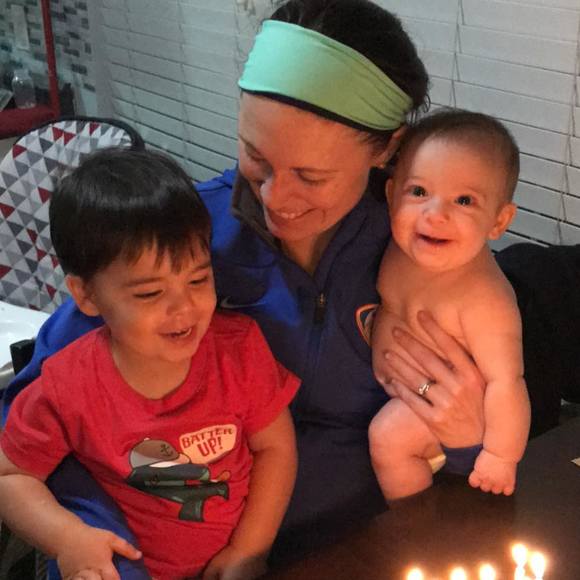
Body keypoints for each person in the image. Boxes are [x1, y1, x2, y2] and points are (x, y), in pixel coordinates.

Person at [2, 0, 492, 575]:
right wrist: (97, 538)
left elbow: (480, 446)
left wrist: (467, 439)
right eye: (256, 158)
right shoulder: (179, 244)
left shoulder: (427, 254)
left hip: (359, 551)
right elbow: (48, 411)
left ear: (386, 149)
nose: (274, 199)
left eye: (311, 176)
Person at [0, 149, 299, 579]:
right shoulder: (68, 384)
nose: (184, 308)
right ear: (86, 295)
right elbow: (11, 477)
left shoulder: (239, 350)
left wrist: (249, 550)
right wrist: (67, 538)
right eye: (149, 293)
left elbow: (276, 448)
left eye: (198, 279)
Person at [369, 110, 531, 500]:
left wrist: (500, 456)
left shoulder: (484, 299)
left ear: (499, 221)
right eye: (418, 192)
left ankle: (414, 519)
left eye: (464, 200)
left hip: (435, 411)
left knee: (387, 438)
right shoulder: (400, 245)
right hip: (397, 389)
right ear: (391, 195)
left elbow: (507, 382)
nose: (435, 214)